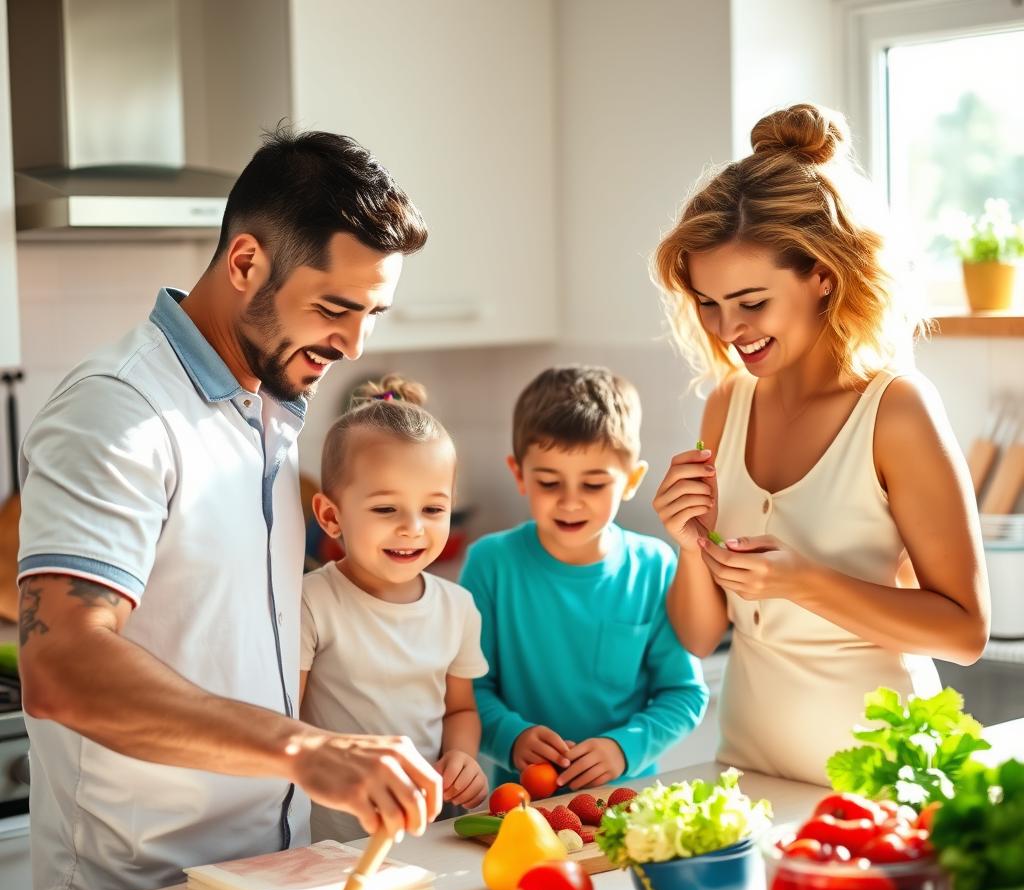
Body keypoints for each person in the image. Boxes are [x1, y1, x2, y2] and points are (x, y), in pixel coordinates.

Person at [16, 129, 444, 890]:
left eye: (374, 313)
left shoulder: (266, 407)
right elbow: (61, 668)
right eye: (336, 306)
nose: (356, 343)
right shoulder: (120, 410)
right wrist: (306, 750)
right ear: (246, 261)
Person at [651, 103, 989, 785]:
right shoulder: (727, 405)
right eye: (709, 304)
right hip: (752, 774)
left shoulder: (894, 410)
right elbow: (696, 635)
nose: (728, 330)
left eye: (751, 301)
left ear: (823, 275)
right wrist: (687, 546)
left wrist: (803, 582)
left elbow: (964, 632)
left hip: (883, 782)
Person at [460, 365, 708, 792]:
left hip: (628, 801)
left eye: (593, 484)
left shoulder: (654, 566)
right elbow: (466, 692)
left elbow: (685, 694)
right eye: (549, 482)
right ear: (519, 474)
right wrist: (511, 736)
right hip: (522, 806)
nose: (570, 502)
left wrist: (623, 748)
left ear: (631, 481)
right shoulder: (490, 563)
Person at [300, 375, 489, 842]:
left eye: (433, 510)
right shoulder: (311, 602)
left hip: (428, 831)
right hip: (330, 837)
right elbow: (285, 724)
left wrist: (462, 756)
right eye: (386, 510)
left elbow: (460, 710)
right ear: (330, 516)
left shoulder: (458, 607)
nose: (412, 529)